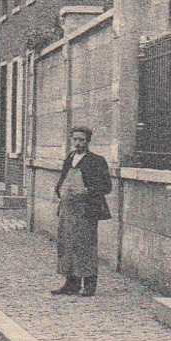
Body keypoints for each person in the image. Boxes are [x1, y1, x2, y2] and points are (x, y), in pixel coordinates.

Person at [52, 126, 112, 297]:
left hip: (86, 210)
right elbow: (63, 179)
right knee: (67, 244)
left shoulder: (97, 161)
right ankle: (71, 284)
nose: (78, 143)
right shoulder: (69, 158)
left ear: (88, 141)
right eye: (75, 139)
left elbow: (107, 186)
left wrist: (87, 190)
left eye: (82, 140)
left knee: (86, 246)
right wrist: (60, 190)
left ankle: (89, 285)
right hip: (68, 208)